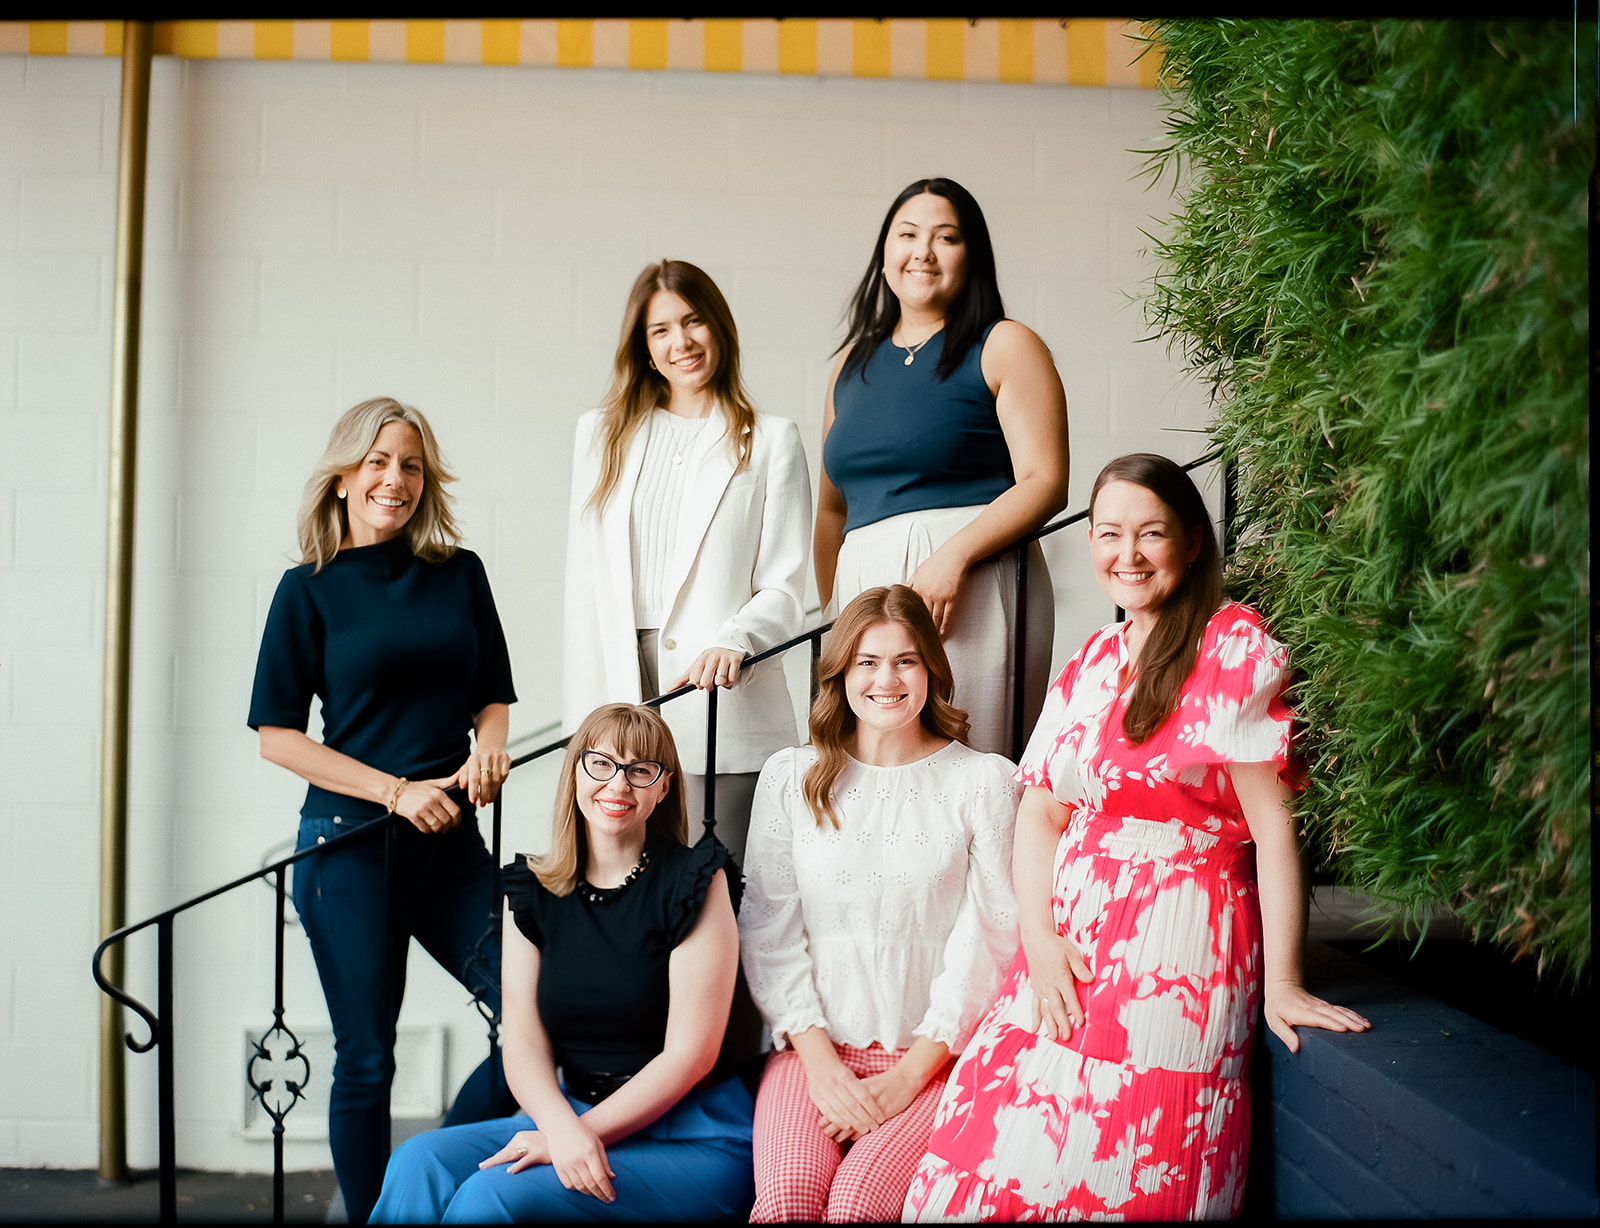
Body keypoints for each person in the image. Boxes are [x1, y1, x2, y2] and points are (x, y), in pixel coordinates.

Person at [903, 454, 1374, 1222]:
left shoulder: (1231, 647)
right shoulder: (1089, 661)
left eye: (1150, 533)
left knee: (1125, 1157)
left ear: (1192, 541)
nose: (1128, 554)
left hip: (1178, 947)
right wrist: (1042, 938)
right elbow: (1041, 815)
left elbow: (1272, 828)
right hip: (1068, 945)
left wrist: (1283, 982)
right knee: (999, 1143)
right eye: (1109, 533)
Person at [248, 397, 518, 1225]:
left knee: (540, 1008)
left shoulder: (458, 572)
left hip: (451, 845)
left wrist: (488, 750)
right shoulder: (308, 591)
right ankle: (375, 1217)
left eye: (408, 464)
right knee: (367, 1057)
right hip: (349, 846)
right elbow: (276, 737)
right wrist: (396, 792)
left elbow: (493, 695)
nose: (392, 479)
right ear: (342, 478)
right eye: (376, 462)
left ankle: (426, 1174)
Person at [368, 703, 755, 1223]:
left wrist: (577, 1135)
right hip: (570, 1115)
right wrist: (564, 1128)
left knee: (491, 1197)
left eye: (641, 770)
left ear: (662, 788)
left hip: (692, 1135)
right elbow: (524, 1043)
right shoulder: (530, 890)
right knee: (418, 1161)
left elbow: (690, 1055)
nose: (618, 784)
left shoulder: (698, 879)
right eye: (602, 763)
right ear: (575, 772)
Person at [739, 585, 1020, 1223]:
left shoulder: (983, 782)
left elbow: (993, 941)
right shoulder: (790, 778)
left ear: (932, 670)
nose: (885, 679)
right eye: (866, 661)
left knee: (859, 1206)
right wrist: (822, 1068)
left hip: (935, 1061)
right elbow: (767, 930)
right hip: (812, 1052)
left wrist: (906, 1077)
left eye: (905, 660)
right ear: (841, 673)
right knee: (786, 1203)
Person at [564, 259, 812, 865]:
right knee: (626, 888)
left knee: (718, 891)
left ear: (719, 329)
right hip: (621, 686)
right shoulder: (600, 435)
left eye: (694, 321)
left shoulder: (772, 439)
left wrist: (737, 640)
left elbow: (784, 587)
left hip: (720, 697)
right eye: (661, 330)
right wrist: (585, 720)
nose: (681, 342)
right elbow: (584, 587)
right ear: (644, 349)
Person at [815, 178, 1070, 759]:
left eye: (946, 237)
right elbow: (832, 507)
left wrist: (951, 556)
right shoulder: (847, 367)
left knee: (970, 763)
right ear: (885, 256)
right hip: (863, 596)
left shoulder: (1005, 344)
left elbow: (1046, 480)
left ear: (971, 255)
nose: (923, 251)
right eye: (907, 234)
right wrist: (839, 613)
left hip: (971, 586)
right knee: (866, 774)